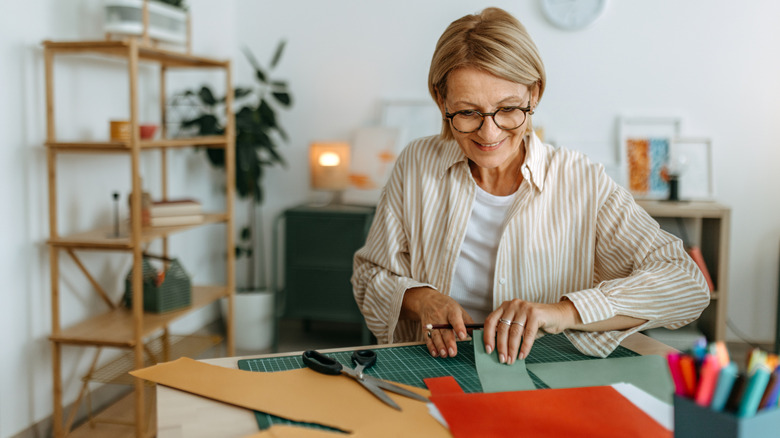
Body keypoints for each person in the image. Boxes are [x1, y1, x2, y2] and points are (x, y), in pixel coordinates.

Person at [351, 7, 709, 363]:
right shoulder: (416, 164)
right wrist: (421, 300)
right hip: (436, 367)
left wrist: (563, 312)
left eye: (508, 109)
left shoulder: (580, 180)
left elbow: (686, 284)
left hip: (548, 372)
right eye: (468, 112)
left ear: (533, 94)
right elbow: (369, 274)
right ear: (441, 100)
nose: (489, 133)